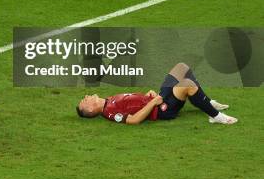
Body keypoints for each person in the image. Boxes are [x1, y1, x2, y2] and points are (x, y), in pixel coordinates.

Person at [76, 63, 238, 125]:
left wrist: (148, 96)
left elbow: (132, 101)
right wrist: (152, 103)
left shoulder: (108, 101)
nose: (86, 97)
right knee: (187, 85)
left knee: (182, 68)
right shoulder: (110, 112)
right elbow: (133, 120)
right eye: (84, 101)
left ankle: (207, 103)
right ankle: (216, 117)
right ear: (91, 110)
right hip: (161, 109)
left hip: (155, 99)